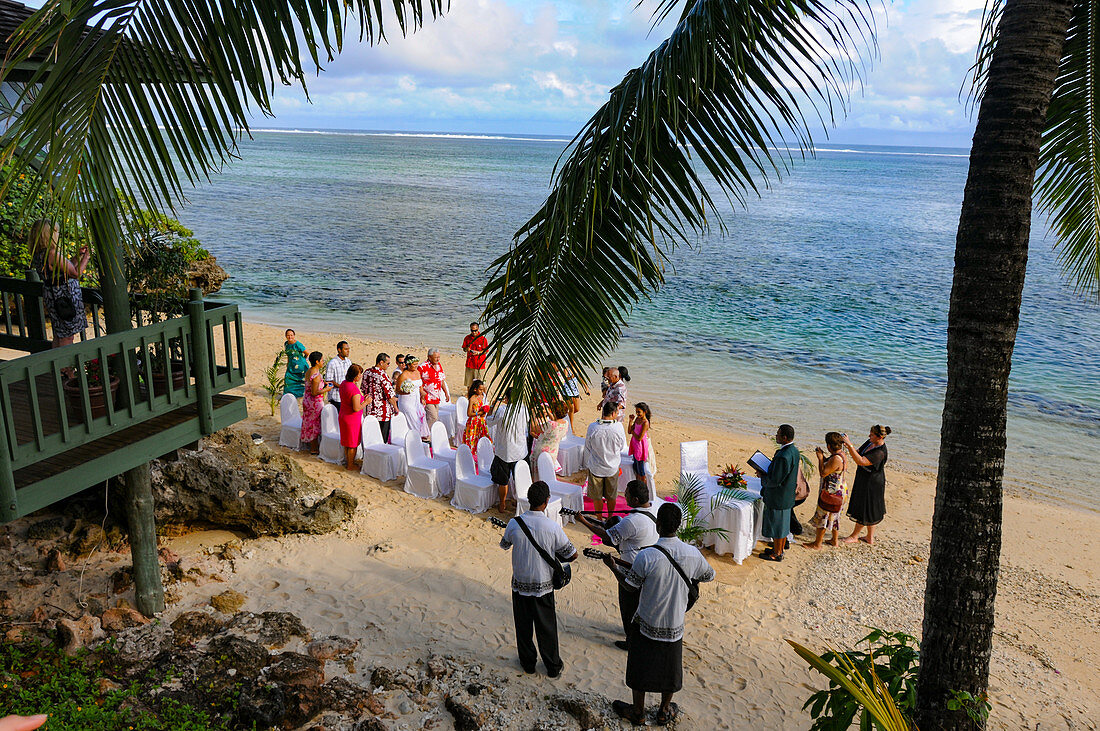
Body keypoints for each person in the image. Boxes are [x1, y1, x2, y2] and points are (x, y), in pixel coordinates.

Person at [604, 502, 715, 726]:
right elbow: (709, 575)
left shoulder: (646, 556)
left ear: (658, 526)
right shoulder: (692, 554)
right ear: (679, 526)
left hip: (647, 620)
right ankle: (664, 711)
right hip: (674, 623)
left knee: (640, 667)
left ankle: (638, 711)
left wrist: (613, 568)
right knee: (670, 670)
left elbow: (630, 587)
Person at [499, 480, 577, 677]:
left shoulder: (514, 523)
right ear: (546, 501)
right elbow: (572, 554)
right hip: (543, 585)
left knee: (523, 627)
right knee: (547, 628)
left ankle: (528, 664)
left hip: (520, 584)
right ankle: (552, 666)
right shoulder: (552, 527)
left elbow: (505, 544)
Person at [576, 479, 659, 650]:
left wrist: (584, 522)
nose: (625, 496)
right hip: (649, 567)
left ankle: (631, 640)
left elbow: (607, 537)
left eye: (627, 494)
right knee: (640, 604)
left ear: (635, 499)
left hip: (630, 568)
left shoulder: (632, 521)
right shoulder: (655, 510)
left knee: (629, 604)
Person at [29, 218, 88, 347]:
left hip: (53, 295)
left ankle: (58, 366)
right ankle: (65, 367)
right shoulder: (52, 253)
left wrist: (78, 256)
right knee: (67, 335)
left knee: (59, 333)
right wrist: (87, 257)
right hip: (63, 297)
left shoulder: (40, 253)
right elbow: (75, 273)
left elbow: (67, 268)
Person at [753, 424, 800, 562]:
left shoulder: (783, 456)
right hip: (786, 495)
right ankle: (777, 549)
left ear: (785, 438)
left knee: (778, 527)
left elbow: (775, 481)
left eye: (778, 434)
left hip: (778, 497)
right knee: (783, 525)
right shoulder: (794, 451)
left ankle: (777, 553)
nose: (776, 436)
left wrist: (762, 476)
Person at [843, 425, 892, 545]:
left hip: (872, 482)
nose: (869, 436)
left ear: (879, 437)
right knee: (871, 507)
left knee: (864, 507)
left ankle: (854, 536)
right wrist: (849, 447)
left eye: (872, 434)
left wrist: (849, 445)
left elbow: (861, 461)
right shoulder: (870, 442)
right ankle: (869, 537)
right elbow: (859, 453)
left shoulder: (880, 452)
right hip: (864, 477)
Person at [583, 401, 628, 522]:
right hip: (611, 467)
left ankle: (599, 517)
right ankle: (609, 517)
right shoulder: (618, 427)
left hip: (596, 466)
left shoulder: (593, 427)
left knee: (597, 496)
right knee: (611, 495)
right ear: (613, 413)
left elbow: (588, 446)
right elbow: (622, 446)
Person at [488, 390, 530, 514]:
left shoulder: (502, 410)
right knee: (520, 478)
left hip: (505, 450)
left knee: (503, 480)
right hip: (520, 449)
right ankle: (517, 501)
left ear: (506, 398)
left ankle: (502, 503)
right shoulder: (524, 409)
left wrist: (492, 406)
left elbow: (490, 421)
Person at [804, 432, 847, 549]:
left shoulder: (836, 459)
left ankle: (817, 544)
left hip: (831, 492)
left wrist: (820, 459)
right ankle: (834, 540)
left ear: (829, 446)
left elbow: (823, 473)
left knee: (824, 516)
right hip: (840, 490)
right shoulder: (842, 454)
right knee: (835, 516)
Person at [361, 353, 398, 444]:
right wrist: (396, 408)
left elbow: (363, 388)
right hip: (383, 412)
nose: (389, 366)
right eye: (388, 363)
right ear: (381, 362)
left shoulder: (367, 372)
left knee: (371, 437)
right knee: (382, 439)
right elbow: (389, 396)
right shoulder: (382, 375)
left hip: (370, 409)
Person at [300, 351, 331, 454]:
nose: (323, 362)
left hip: (307, 400)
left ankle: (311, 445)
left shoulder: (309, 371)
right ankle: (314, 448)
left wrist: (323, 384)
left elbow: (311, 386)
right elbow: (314, 392)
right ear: (317, 361)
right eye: (322, 360)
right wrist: (326, 389)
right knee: (314, 424)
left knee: (308, 422)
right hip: (314, 402)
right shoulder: (316, 375)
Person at [531, 400, 570, 475]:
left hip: (540, 452)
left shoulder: (550, 424)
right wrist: (548, 412)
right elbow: (555, 421)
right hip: (553, 453)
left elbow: (533, 428)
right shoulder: (565, 423)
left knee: (538, 474)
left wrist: (533, 414)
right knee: (548, 474)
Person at [338, 364, 365, 471]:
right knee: (353, 443)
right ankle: (350, 465)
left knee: (347, 442)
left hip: (343, 415)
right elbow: (357, 408)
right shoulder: (353, 389)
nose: (361, 376)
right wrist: (366, 402)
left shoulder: (343, 384)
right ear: (355, 376)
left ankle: (348, 462)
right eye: (359, 374)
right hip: (352, 419)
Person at [396, 355, 429, 439]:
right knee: (413, 419)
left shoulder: (417, 372)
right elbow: (397, 390)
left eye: (416, 364)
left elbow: (420, 386)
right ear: (408, 365)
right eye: (414, 364)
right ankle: (414, 438)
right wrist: (406, 391)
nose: (416, 366)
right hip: (406, 401)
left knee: (419, 418)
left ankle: (418, 438)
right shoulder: (403, 375)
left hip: (416, 400)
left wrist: (422, 396)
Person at [418, 348, 450, 429]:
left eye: (439, 357)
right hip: (427, 397)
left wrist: (446, 393)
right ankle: (426, 435)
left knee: (433, 418)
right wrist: (421, 394)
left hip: (436, 396)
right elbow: (418, 382)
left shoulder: (438, 365)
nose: (438, 359)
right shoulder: (422, 367)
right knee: (433, 417)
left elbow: (441, 380)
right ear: (429, 357)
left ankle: (430, 434)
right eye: (436, 357)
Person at [462, 379, 490, 449]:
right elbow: (469, 414)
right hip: (473, 422)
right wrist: (479, 413)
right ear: (475, 389)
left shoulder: (482, 397)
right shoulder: (472, 399)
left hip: (481, 421)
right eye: (480, 390)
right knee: (473, 440)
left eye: (483, 390)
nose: (482, 391)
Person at [627, 402, 652, 478]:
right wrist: (630, 421)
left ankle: (643, 485)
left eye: (639, 412)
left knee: (640, 469)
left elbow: (639, 437)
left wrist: (633, 432)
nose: (637, 414)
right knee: (635, 466)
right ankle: (638, 483)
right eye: (636, 412)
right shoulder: (637, 419)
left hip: (640, 446)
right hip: (635, 444)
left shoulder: (645, 423)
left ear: (645, 412)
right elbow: (629, 431)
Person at [282, 328, 309, 398]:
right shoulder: (286, 344)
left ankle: (300, 394)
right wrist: (288, 363)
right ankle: (289, 395)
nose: (290, 337)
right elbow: (288, 354)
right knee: (288, 379)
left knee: (301, 381)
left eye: (291, 335)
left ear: (294, 336)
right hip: (291, 365)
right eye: (288, 335)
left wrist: (303, 360)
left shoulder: (298, 344)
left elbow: (307, 353)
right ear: (285, 336)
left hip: (301, 366)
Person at [324, 341, 352, 407]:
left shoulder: (348, 362)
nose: (348, 351)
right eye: (345, 349)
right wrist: (342, 386)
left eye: (348, 349)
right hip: (336, 397)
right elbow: (328, 380)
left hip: (347, 395)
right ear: (339, 350)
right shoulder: (332, 363)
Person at [462, 322, 489, 386]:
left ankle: (482, 395)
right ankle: (469, 394)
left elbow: (486, 351)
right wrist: (467, 349)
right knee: (469, 383)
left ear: (478, 329)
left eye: (475, 330)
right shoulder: (467, 338)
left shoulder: (483, 339)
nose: (474, 332)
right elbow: (464, 349)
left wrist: (478, 353)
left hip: (479, 364)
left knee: (480, 383)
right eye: (472, 330)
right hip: (470, 364)